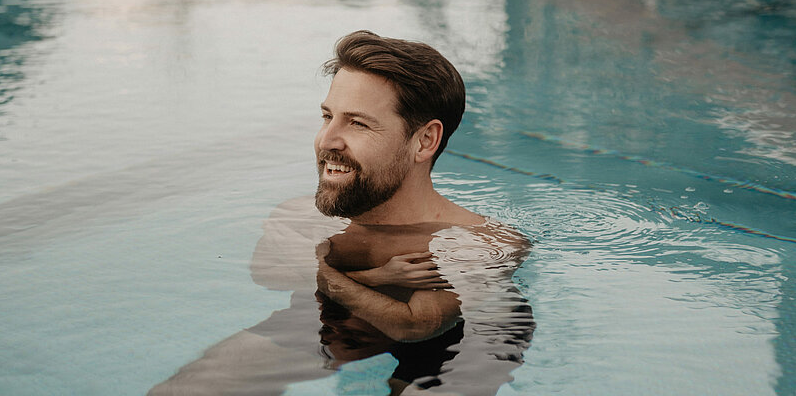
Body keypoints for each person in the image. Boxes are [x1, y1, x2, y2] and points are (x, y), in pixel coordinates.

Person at [149, 31, 534, 396]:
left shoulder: (478, 242)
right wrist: (374, 276)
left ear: (425, 140)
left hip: (462, 337)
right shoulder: (298, 215)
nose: (327, 140)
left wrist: (326, 267)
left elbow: (416, 326)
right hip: (332, 319)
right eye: (326, 116)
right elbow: (268, 274)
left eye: (357, 123)